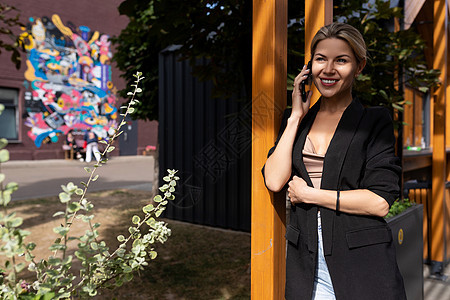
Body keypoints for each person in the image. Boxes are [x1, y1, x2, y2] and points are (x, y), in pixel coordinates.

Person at [262, 22, 406, 300]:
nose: (328, 70)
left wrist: (310, 195)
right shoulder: (297, 123)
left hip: (362, 264)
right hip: (306, 262)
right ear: (309, 66)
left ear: (359, 66)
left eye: (341, 60)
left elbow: (379, 202)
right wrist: (295, 117)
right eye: (320, 59)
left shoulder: (373, 120)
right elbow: (274, 180)